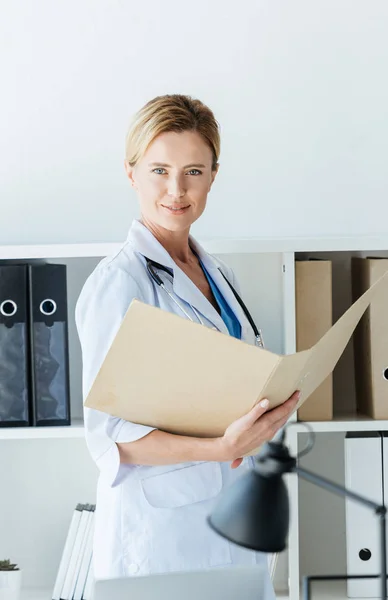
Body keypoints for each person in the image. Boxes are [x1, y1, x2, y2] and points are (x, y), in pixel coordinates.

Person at [75, 94, 298, 595]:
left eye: (194, 171)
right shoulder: (119, 283)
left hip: (234, 517)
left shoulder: (219, 274)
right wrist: (220, 448)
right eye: (159, 170)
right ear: (131, 173)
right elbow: (110, 438)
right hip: (160, 539)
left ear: (214, 176)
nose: (177, 190)